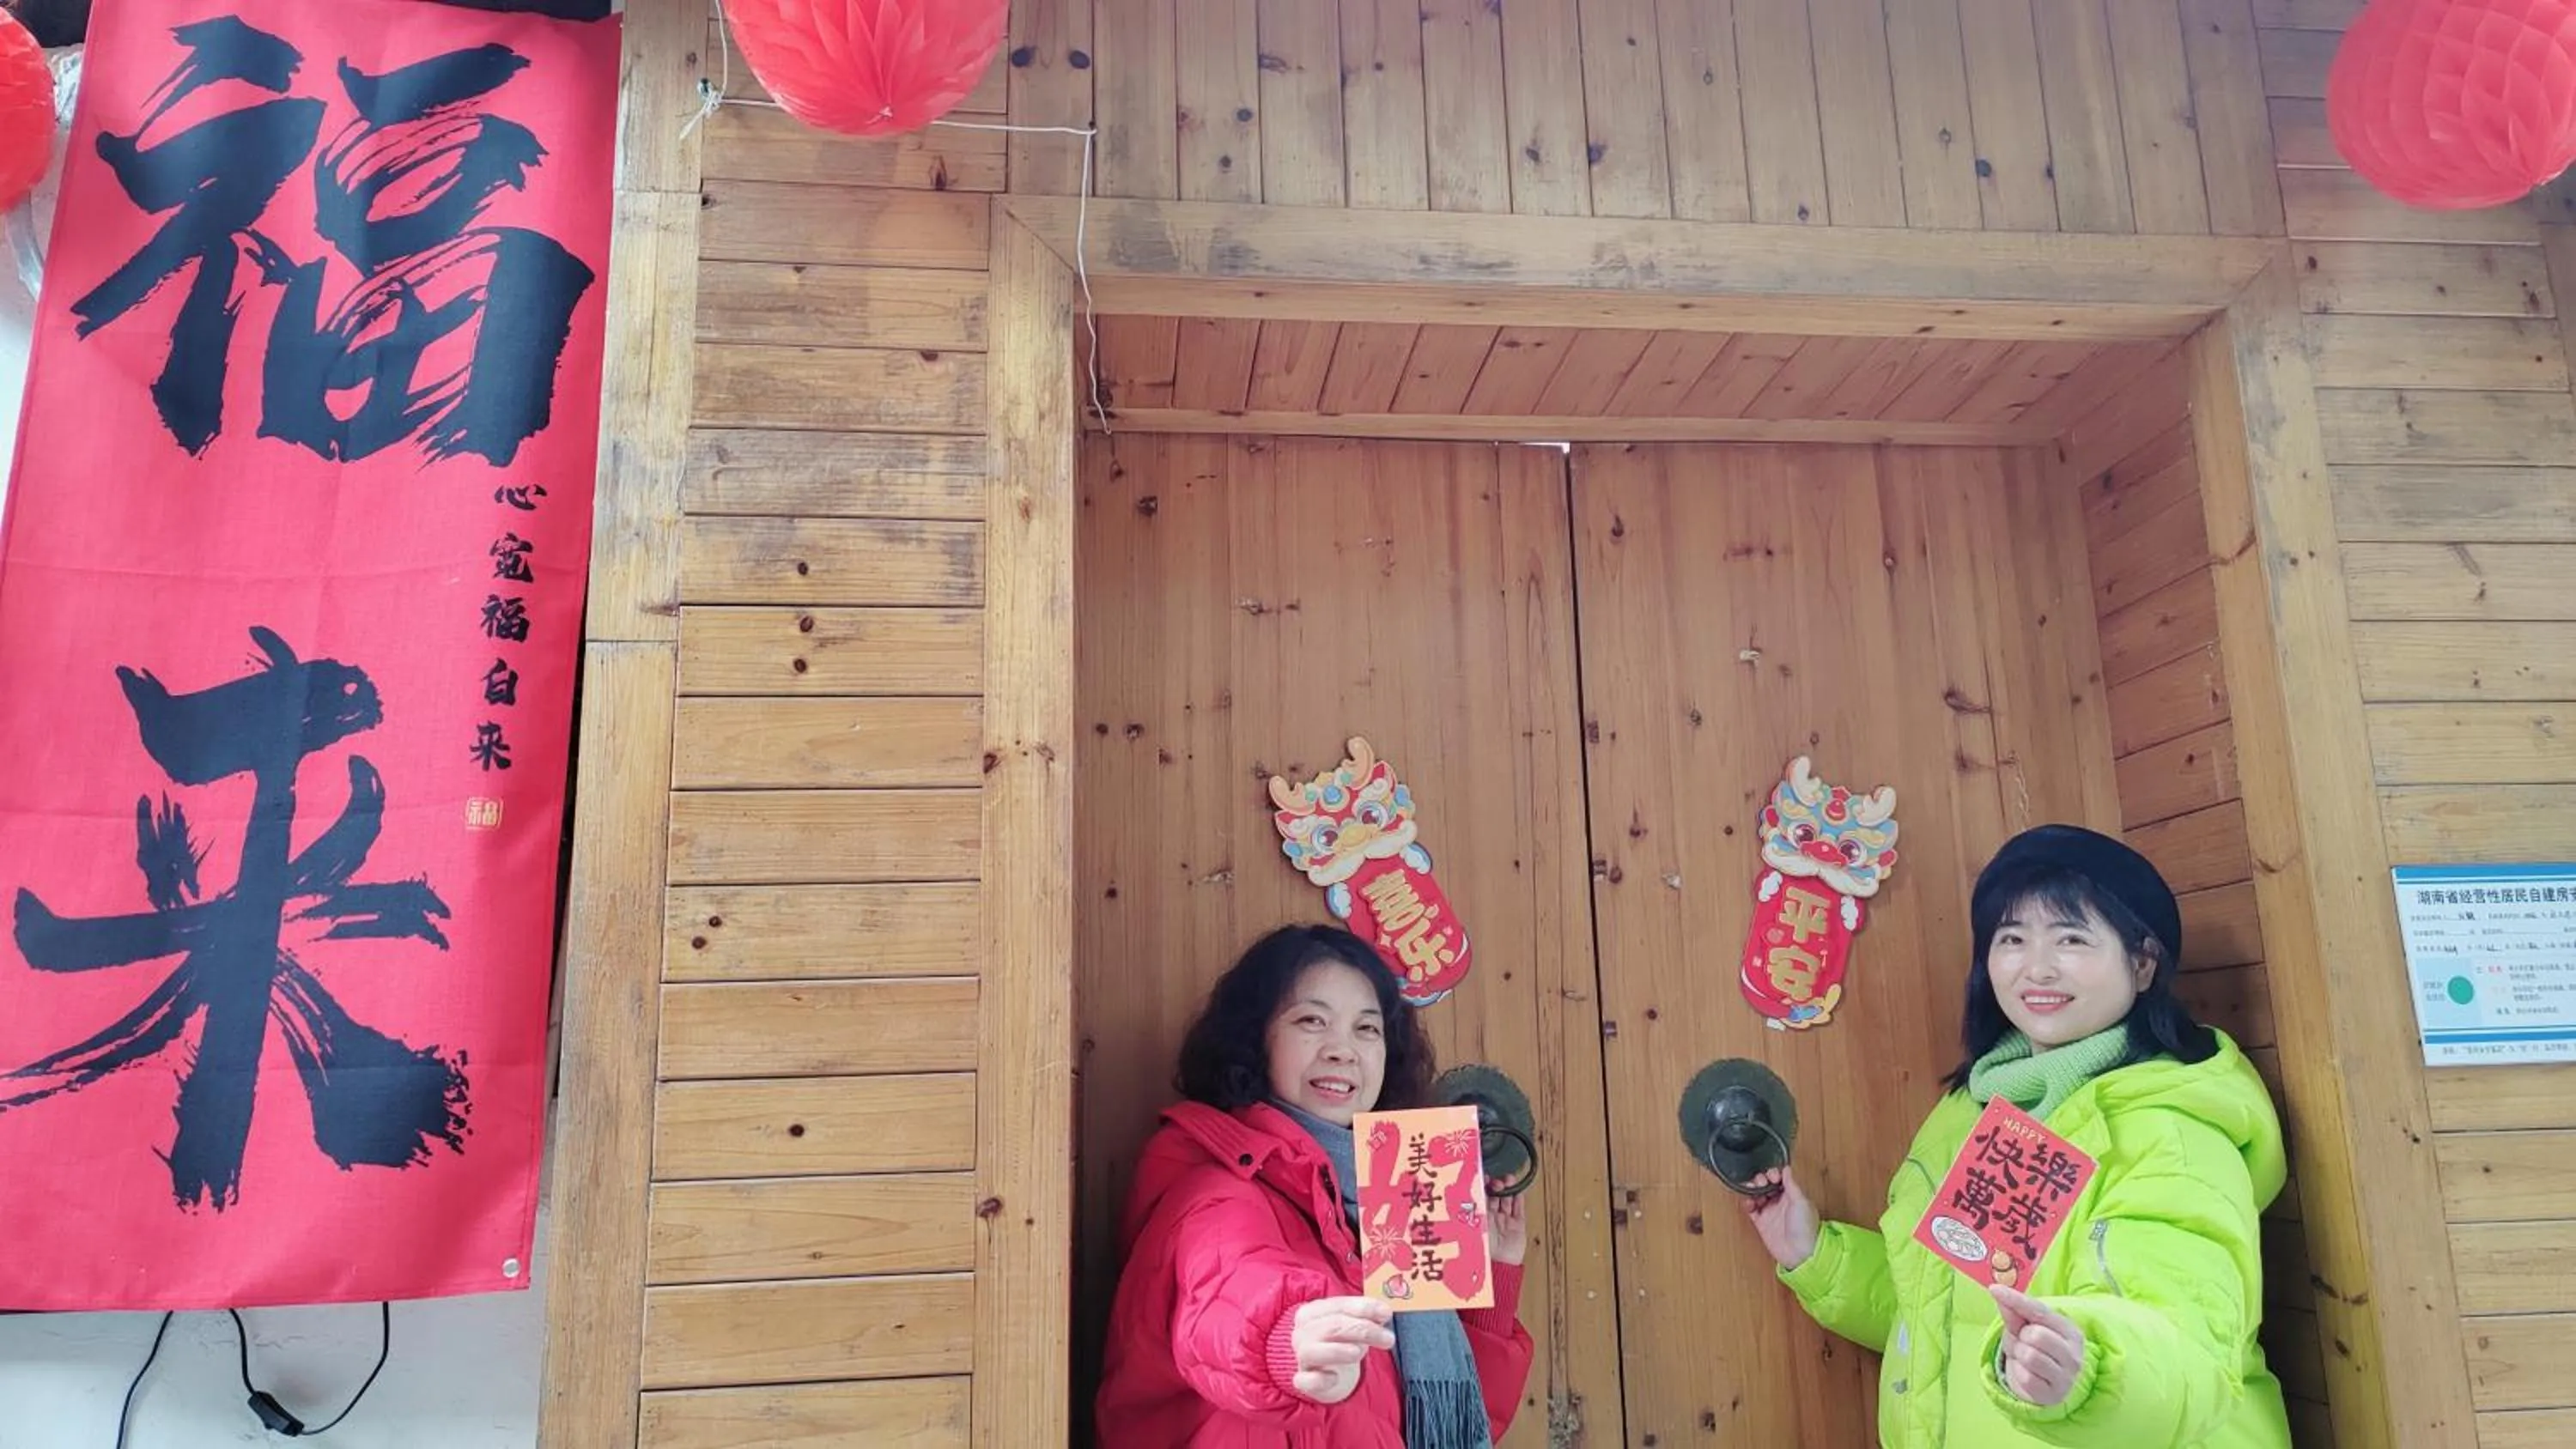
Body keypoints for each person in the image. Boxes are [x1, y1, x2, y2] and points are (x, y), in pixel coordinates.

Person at [1741, 824, 2293, 1449]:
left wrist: (2091, 1371)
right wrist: (1814, 1254)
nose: (2037, 967)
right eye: (2012, 938)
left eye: (2072, 938)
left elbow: (2190, 1340)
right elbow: (1952, 1311)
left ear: (2143, 963)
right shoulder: (1993, 1108)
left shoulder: (2172, 1132)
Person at [1098, 923, 1534, 1447]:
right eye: (1312, 1020)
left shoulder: (1403, 1191)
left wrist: (1495, 1282)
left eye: (1367, 1029)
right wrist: (1283, 1341)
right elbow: (1226, 1289)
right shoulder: (1217, 1189)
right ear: (1255, 1038)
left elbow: (1449, 1423)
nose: (1342, 1050)